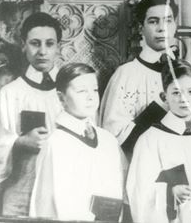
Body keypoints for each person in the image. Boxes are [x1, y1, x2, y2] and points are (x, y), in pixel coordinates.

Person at [99, 0, 191, 152]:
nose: (162, 28)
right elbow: (115, 139)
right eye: (153, 21)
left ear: (175, 26)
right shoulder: (125, 74)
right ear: (140, 28)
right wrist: (157, 110)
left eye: (168, 20)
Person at [0, 12, 64, 216]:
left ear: (59, 47)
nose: (42, 51)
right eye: (35, 43)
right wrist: (20, 142)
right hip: (22, 185)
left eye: (49, 43)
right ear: (24, 45)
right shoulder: (11, 93)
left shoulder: (71, 91)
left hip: (63, 184)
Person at [126, 59, 191, 223]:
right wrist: (169, 192)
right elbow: (139, 192)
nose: (184, 99)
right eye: (176, 93)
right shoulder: (151, 140)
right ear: (164, 97)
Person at [29, 63, 124, 221]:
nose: (91, 97)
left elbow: (116, 189)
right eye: (81, 91)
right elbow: (51, 204)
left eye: (94, 90)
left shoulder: (108, 140)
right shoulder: (57, 143)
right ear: (61, 98)